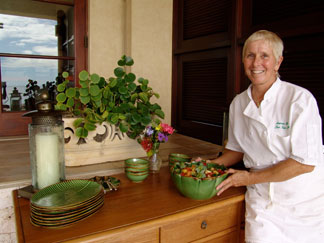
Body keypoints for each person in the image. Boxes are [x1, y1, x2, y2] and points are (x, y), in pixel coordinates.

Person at [212, 30, 324, 243]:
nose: (256, 63)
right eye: (250, 55)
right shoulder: (239, 103)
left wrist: (250, 178)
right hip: (262, 200)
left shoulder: (299, 99)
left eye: (265, 55)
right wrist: (211, 165)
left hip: (303, 202)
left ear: (278, 62)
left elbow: (305, 163)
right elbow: (236, 148)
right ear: (243, 60)